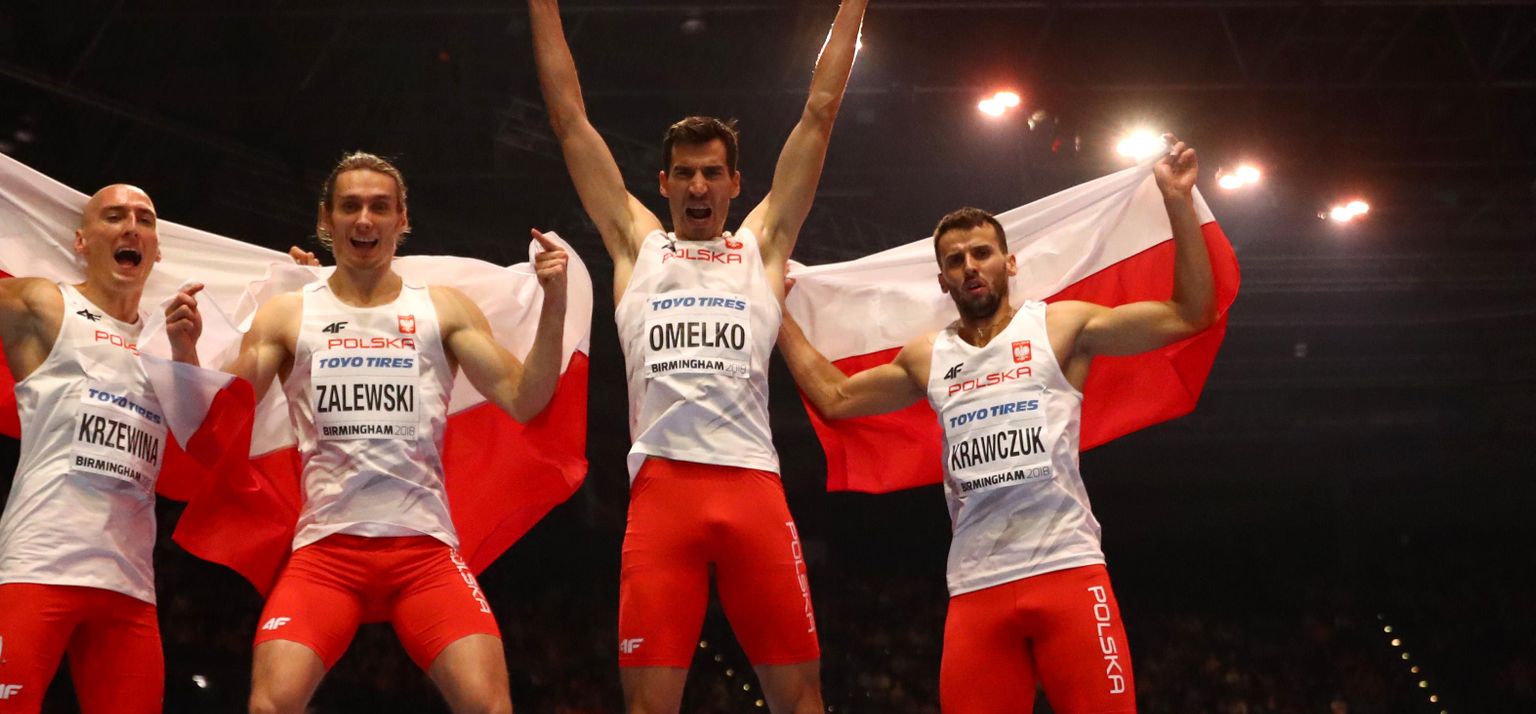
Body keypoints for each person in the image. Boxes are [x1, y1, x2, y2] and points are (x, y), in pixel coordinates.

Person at [775, 135, 1212, 713]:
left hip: (1069, 573)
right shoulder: (927, 356)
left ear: (1009, 263)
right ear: (942, 280)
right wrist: (774, 309)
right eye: (955, 261)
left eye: (981, 253)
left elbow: (1190, 313)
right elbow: (834, 397)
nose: (969, 267)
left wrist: (1178, 202)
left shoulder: (1059, 327)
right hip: (978, 590)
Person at [526, 0, 865, 710]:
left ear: (737, 185)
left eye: (713, 173)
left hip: (753, 491)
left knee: (801, 698)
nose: (699, 187)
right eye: (684, 173)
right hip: (660, 497)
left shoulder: (763, 247)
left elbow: (820, 112)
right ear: (665, 184)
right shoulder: (636, 246)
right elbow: (569, 120)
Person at [166, 152, 571, 714]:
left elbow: (527, 399)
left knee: (490, 708)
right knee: (269, 707)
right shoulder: (288, 315)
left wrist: (555, 306)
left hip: (424, 553)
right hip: (325, 555)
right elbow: (214, 428)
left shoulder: (443, 309)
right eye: (350, 207)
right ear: (326, 220)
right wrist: (184, 353)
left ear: (402, 219)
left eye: (380, 207)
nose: (364, 220)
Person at [0, 124, 172, 714]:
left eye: (144, 219)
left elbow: (270, 358)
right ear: (80, 240)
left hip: (130, 590)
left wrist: (295, 278)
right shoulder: (43, 304)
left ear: (157, 248)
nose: (131, 227)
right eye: (114, 216)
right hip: (37, 567)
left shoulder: (178, 340)